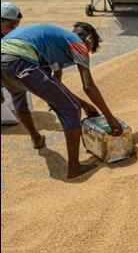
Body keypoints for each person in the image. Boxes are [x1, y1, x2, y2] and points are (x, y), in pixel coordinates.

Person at [1, 22, 122, 179]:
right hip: (19, 59)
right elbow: (88, 86)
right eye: (89, 51)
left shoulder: (55, 41)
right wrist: (110, 118)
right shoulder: (78, 44)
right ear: (89, 40)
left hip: (6, 60)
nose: (85, 56)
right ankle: (74, 168)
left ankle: (36, 139)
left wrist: (84, 104)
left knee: (18, 96)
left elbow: (56, 87)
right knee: (71, 110)